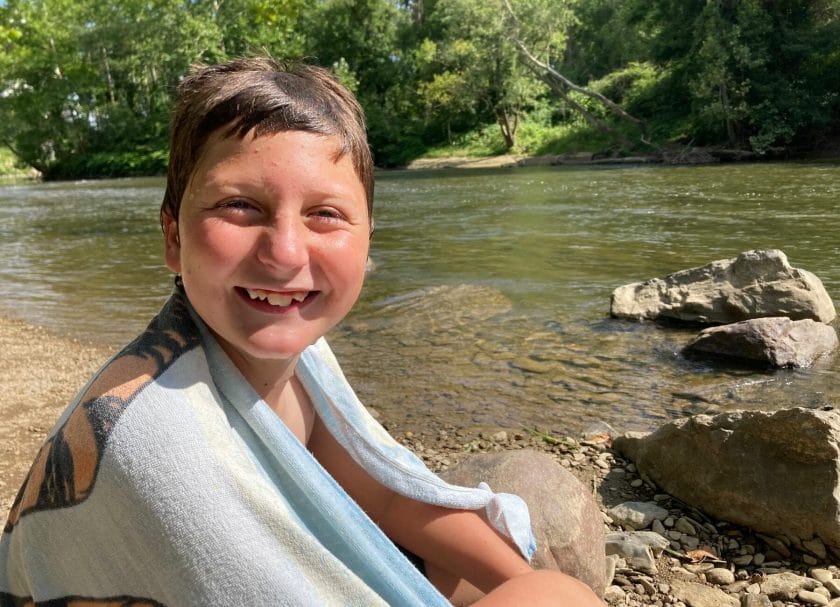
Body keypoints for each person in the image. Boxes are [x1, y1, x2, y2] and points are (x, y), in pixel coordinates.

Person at [0, 57, 603, 606]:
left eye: (325, 214)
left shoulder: (292, 354)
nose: (286, 253)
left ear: (368, 242)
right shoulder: (162, 446)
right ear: (173, 237)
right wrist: (548, 590)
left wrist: (517, 578)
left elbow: (382, 494)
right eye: (240, 206)